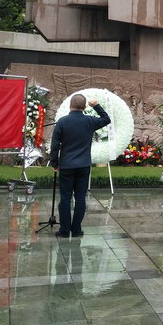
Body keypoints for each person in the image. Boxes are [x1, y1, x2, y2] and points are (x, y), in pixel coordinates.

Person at [50, 94, 110, 238]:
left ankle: (64, 230)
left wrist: (55, 163)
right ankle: (76, 229)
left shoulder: (62, 122)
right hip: (83, 165)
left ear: (70, 105)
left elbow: (55, 145)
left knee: (65, 198)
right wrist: (96, 106)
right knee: (80, 198)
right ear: (84, 107)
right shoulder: (89, 121)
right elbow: (106, 119)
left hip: (67, 165)